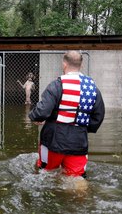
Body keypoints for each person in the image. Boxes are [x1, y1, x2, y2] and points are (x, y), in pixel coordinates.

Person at [29, 50, 105, 178]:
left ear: (64, 64)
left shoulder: (57, 85)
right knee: (77, 179)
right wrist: (82, 128)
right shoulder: (92, 88)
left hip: (53, 140)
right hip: (79, 141)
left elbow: (42, 111)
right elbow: (98, 116)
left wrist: (35, 117)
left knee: (45, 173)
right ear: (81, 65)